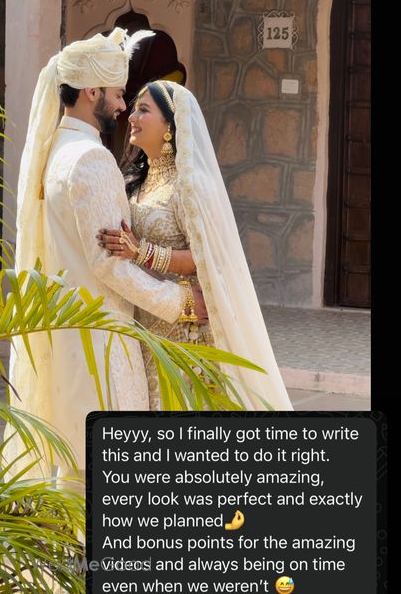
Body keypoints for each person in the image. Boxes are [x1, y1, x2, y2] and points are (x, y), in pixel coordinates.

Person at [5, 33, 207, 479]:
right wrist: (182, 303)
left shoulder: (55, 151)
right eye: (117, 94)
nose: (122, 106)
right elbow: (109, 265)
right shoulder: (92, 158)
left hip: (68, 328)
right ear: (91, 91)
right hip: (102, 337)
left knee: (77, 466)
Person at [97, 80, 293, 412]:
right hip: (145, 319)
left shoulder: (191, 187)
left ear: (170, 127)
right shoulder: (133, 182)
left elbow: (208, 258)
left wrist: (141, 252)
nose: (132, 117)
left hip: (186, 325)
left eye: (143, 110)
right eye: (133, 109)